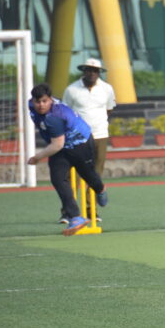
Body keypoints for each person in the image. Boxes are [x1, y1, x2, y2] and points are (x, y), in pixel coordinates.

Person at [27, 83, 108, 236]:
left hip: (80, 143)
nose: (41, 105)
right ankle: (76, 217)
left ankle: (100, 189)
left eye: (44, 101)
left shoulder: (54, 117)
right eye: (38, 101)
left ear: (50, 100)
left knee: (87, 175)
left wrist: (37, 157)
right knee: (58, 179)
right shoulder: (30, 105)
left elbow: (57, 144)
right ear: (33, 100)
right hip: (62, 147)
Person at [62, 58, 116, 223]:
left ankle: (91, 209)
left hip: (100, 135)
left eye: (95, 70)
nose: (91, 73)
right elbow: (66, 113)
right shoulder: (72, 90)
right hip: (79, 137)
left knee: (96, 173)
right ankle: (68, 211)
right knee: (74, 175)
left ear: (99, 72)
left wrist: (97, 126)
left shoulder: (107, 89)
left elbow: (108, 110)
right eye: (88, 70)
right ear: (83, 71)